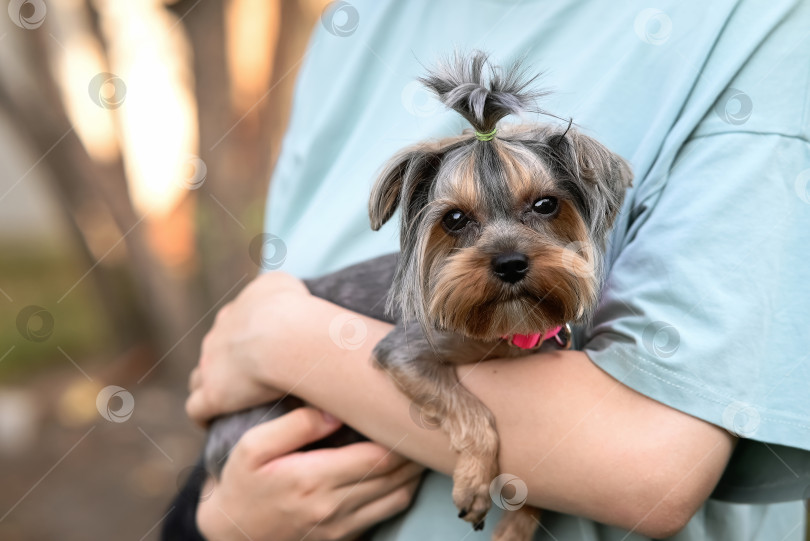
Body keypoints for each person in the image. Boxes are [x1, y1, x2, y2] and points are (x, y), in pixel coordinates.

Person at [185, 1, 810, 539]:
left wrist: (275, 338)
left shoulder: (758, 23)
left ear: (592, 203)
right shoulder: (348, 25)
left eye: (543, 208)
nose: (510, 252)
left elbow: (654, 471)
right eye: (457, 224)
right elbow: (394, 356)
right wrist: (202, 525)